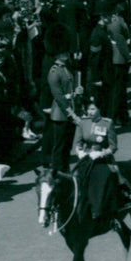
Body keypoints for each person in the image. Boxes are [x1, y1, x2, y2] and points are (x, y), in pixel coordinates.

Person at [72, 99, 118, 223]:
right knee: (75, 177)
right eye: (89, 109)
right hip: (86, 158)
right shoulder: (83, 123)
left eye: (93, 109)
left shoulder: (107, 123)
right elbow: (77, 142)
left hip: (101, 159)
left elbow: (113, 147)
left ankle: (99, 211)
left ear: (99, 110)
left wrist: (101, 153)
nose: (90, 112)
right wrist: (80, 152)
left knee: (100, 178)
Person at [46, 23, 82, 173]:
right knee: (59, 146)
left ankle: (64, 168)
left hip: (70, 110)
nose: (67, 54)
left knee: (67, 144)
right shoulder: (54, 72)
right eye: (64, 52)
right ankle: (56, 171)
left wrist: (78, 91)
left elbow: (70, 89)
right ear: (58, 53)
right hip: (61, 114)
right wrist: (71, 114)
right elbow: (59, 98)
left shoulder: (66, 67)